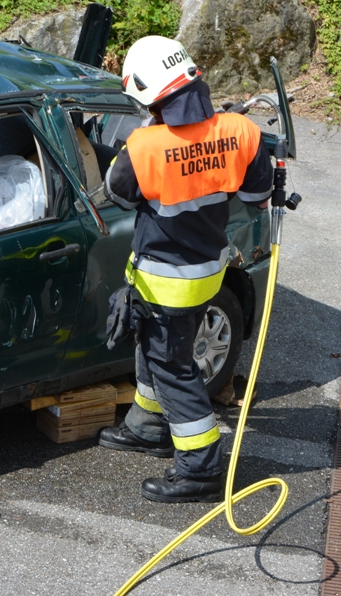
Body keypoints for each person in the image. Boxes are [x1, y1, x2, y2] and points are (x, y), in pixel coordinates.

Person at [97, 35, 273, 503]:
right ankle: (147, 426)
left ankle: (201, 469)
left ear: (150, 95)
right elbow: (257, 197)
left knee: (174, 369)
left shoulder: (144, 147)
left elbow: (117, 193)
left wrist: (145, 137)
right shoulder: (241, 130)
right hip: (207, 273)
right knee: (156, 352)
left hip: (164, 280)